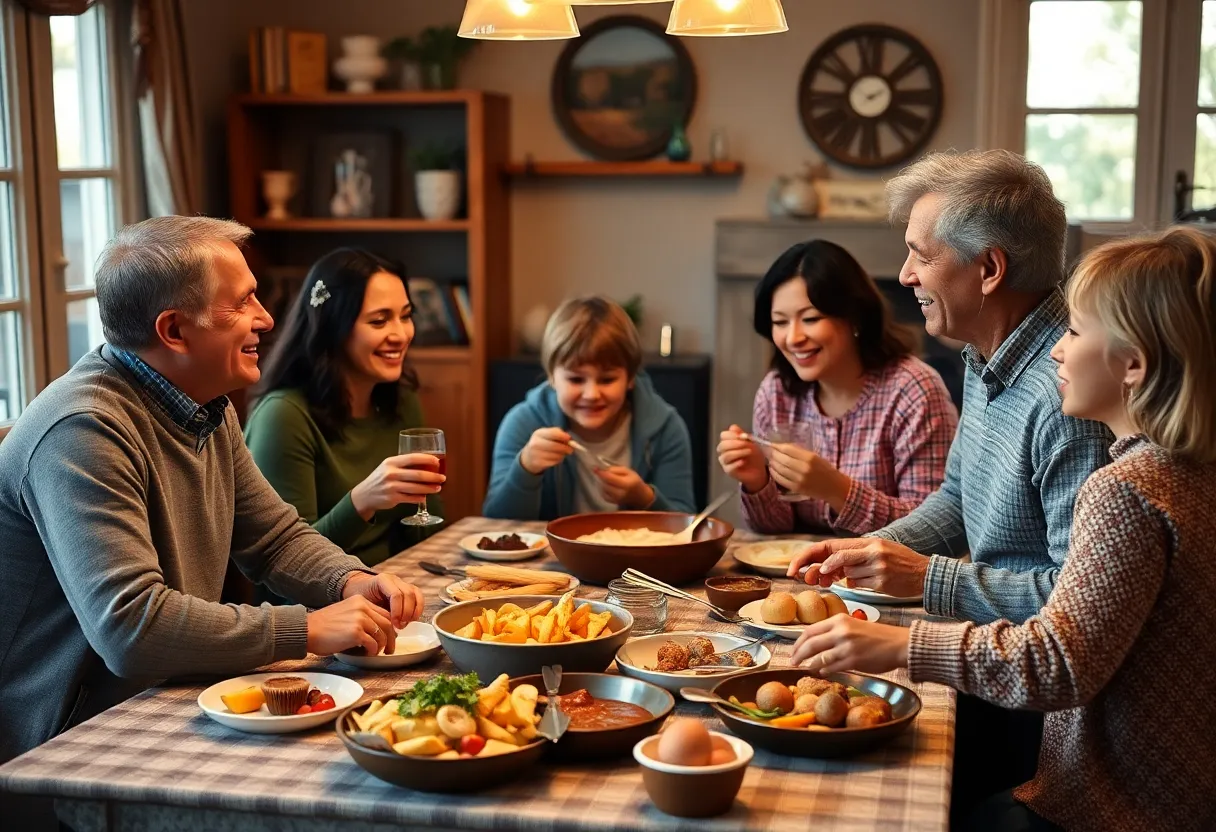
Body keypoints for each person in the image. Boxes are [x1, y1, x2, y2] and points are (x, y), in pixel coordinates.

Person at [789, 226, 1216, 832]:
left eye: (1074, 330)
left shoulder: (1126, 489)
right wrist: (883, 548)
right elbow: (959, 498)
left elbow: (1059, 662)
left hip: (1113, 807)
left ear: (1135, 364)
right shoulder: (1184, 469)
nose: (1056, 351)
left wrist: (903, 646)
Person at [0, 217, 425, 788]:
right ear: (175, 331)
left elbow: (274, 538)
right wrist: (307, 628)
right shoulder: (84, 431)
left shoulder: (206, 404)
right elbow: (133, 629)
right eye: (243, 302)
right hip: (63, 749)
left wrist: (350, 580)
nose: (268, 319)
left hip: (162, 704)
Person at [785, 150, 1113, 815]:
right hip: (986, 656)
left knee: (841, 781)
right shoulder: (983, 354)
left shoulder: (1064, 396)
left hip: (1037, 710)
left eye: (920, 255)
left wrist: (928, 579)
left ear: (988, 270)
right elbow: (959, 499)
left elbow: (1070, 602)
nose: (904, 275)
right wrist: (867, 548)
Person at [716, 239, 958, 535]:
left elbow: (934, 531)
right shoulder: (776, 393)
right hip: (798, 577)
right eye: (779, 322)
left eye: (810, 319)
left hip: (882, 578)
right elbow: (774, 533)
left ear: (854, 316)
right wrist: (756, 481)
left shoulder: (914, 390)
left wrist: (836, 489)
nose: (793, 338)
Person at [244, 248, 445, 568]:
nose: (401, 334)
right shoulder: (283, 417)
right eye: (379, 320)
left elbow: (424, 534)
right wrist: (361, 502)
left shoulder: (401, 402)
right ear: (332, 329)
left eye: (406, 316)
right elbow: (286, 565)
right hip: (313, 609)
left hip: (391, 588)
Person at [483, 296, 695, 520]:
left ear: (630, 378)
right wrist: (526, 468)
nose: (592, 394)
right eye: (576, 380)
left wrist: (644, 497)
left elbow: (685, 524)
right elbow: (496, 521)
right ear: (552, 377)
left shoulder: (665, 428)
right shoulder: (523, 423)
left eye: (607, 380)